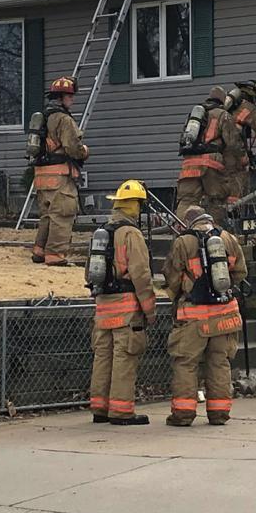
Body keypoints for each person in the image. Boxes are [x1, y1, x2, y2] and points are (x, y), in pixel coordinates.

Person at [163, 205, 247, 427]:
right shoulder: (228, 238)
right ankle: (219, 414)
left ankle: (183, 415)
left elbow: (172, 276)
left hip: (193, 317)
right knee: (220, 363)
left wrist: (181, 292)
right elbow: (240, 273)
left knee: (186, 364)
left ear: (188, 222)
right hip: (225, 314)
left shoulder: (183, 242)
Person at [88, 179, 157, 426]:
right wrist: (150, 311)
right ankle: (121, 411)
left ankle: (100, 408)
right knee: (124, 358)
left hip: (103, 307)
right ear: (134, 206)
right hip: (126, 309)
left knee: (102, 357)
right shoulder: (131, 234)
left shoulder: (102, 232)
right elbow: (141, 275)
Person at [32, 75, 89, 266]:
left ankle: (39, 251)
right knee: (62, 214)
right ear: (62, 97)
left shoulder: (44, 118)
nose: (72, 100)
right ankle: (55, 255)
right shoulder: (64, 120)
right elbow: (73, 147)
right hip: (59, 175)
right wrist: (85, 152)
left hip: (42, 176)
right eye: (70, 97)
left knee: (47, 215)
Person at [175, 86, 242, 227]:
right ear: (223, 101)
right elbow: (232, 146)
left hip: (189, 164)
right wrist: (234, 168)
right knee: (216, 200)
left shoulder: (195, 116)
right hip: (211, 163)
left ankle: (182, 232)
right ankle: (213, 233)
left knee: (186, 201)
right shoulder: (223, 115)